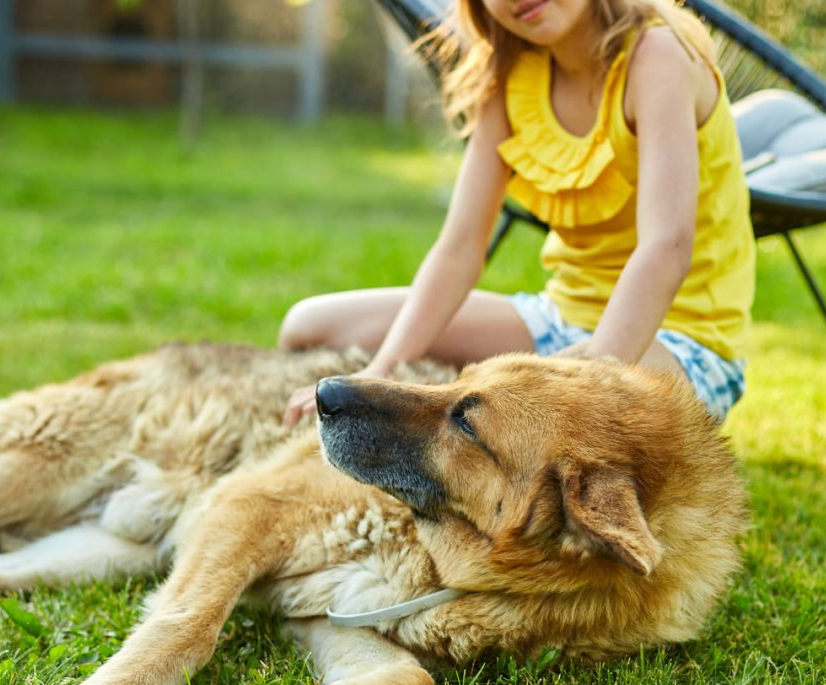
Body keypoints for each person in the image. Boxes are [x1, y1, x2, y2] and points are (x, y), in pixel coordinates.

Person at [279, 0, 755, 428]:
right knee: (308, 327)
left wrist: (581, 374)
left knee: (551, 426)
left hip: (680, 341)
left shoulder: (657, 55)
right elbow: (460, 248)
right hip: (557, 319)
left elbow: (666, 247)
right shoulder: (507, 74)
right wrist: (381, 370)